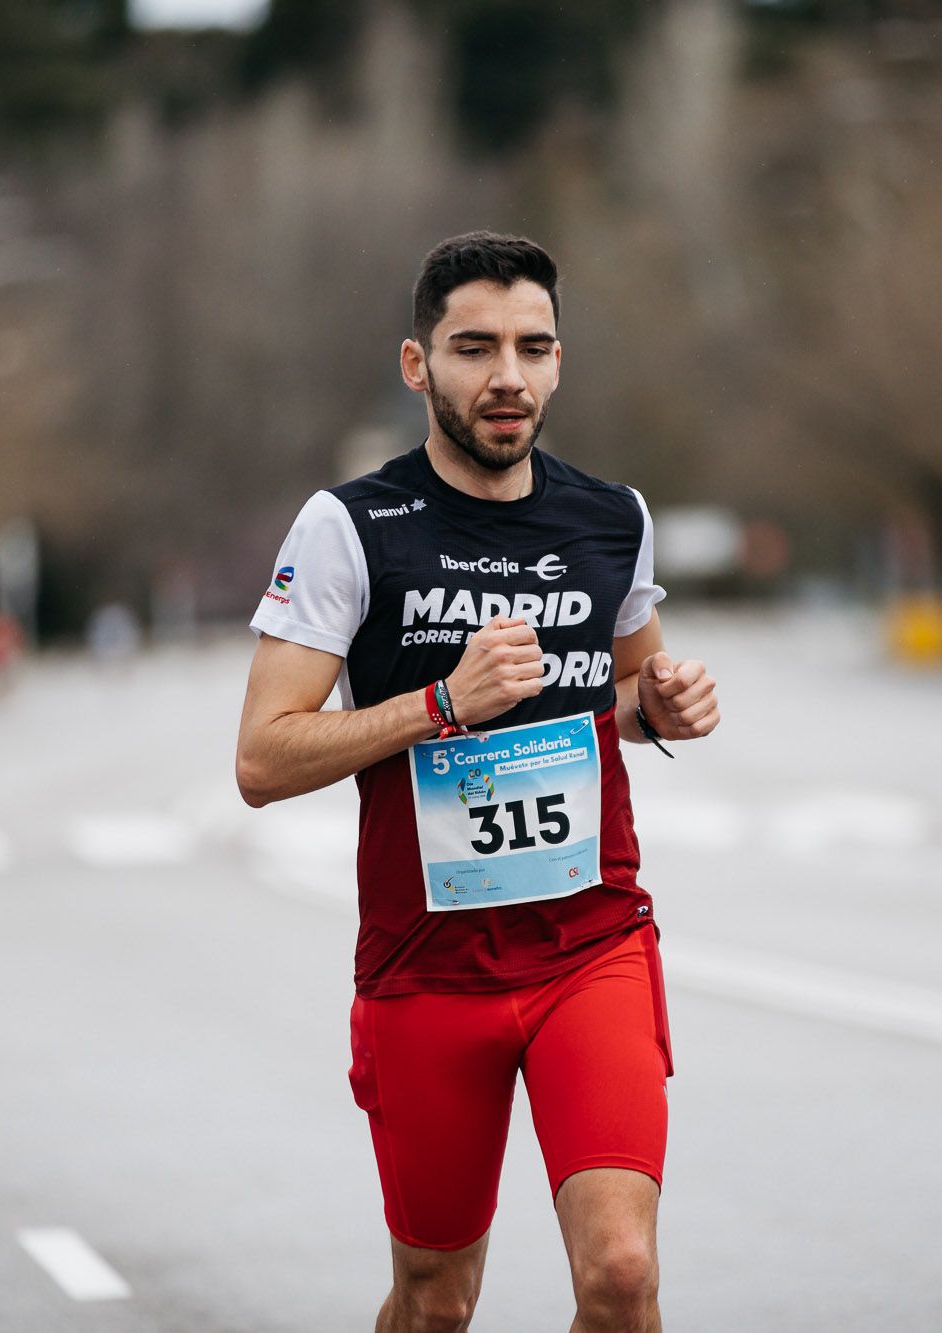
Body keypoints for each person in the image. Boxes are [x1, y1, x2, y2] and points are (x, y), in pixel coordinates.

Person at [236, 231, 720, 1332]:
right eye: (474, 347)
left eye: (532, 347)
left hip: (587, 944)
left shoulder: (612, 519)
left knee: (621, 1274)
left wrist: (663, 709)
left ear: (558, 362)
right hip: (427, 969)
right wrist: (440, 703)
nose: (506, 375)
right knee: (437, 1297)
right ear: (419, 366)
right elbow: (261, 758)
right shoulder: (350, 527)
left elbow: (627, 697)